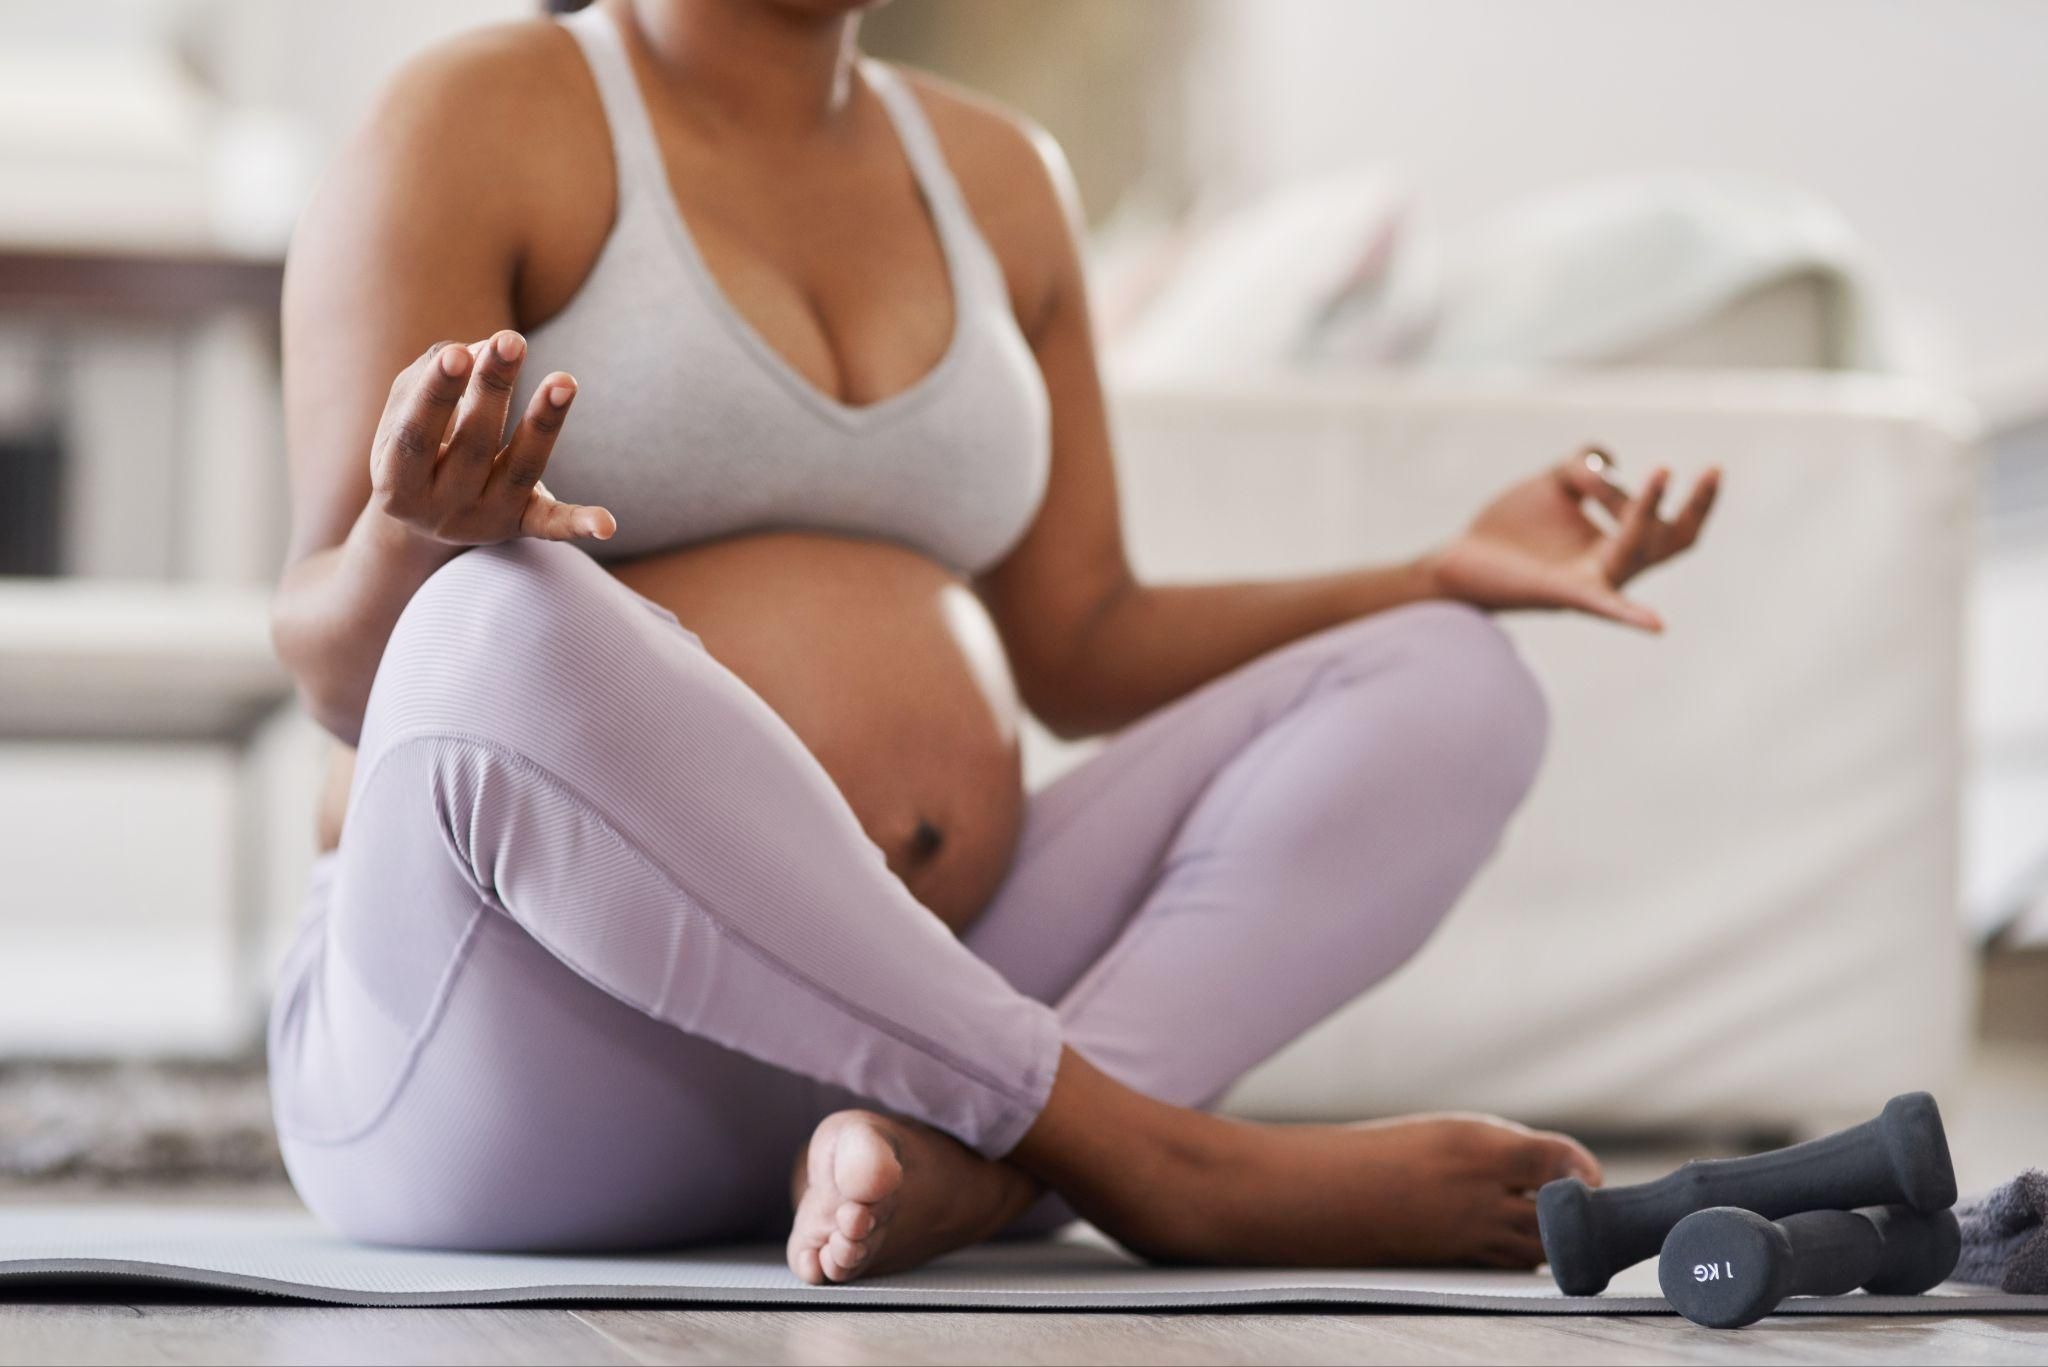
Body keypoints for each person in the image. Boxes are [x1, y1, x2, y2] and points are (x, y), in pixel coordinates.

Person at [268, 0, 1719, 1284]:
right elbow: (348, 680)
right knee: (498, 611)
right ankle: (1155, 1162)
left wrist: (1432, 570)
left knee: (1450, 674)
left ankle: (981, 1165)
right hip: (516, 1068)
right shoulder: (481, 112)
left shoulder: (1001, 179)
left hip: (901, 1054)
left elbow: (1082, 643)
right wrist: (420, 538)